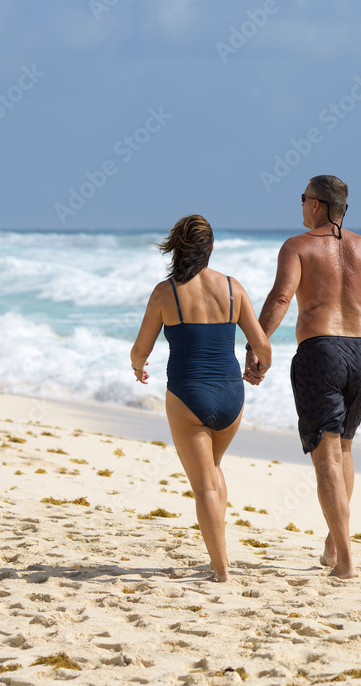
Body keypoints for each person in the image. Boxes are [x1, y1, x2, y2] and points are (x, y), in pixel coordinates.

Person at [244, 175, 361, 579]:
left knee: (325, 452)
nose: (301, 205)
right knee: (343, 448)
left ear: (318, 205)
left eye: (303, 199)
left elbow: (281, 299)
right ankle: (333, 542)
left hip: (321, 351)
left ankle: (345, 561)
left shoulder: (298, 246)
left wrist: (257, 344)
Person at [131, 214, 271, 582]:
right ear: (211, 248)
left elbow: (139, 350)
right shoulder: (232, 288)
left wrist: (137, 367)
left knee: (204, 485)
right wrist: (257, 369)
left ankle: (220, 568)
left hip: (187, 395)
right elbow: (263, 346)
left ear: (177, 248)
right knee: (214, 471)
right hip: (231, 397)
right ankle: (221, 553)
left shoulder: (166, 292)